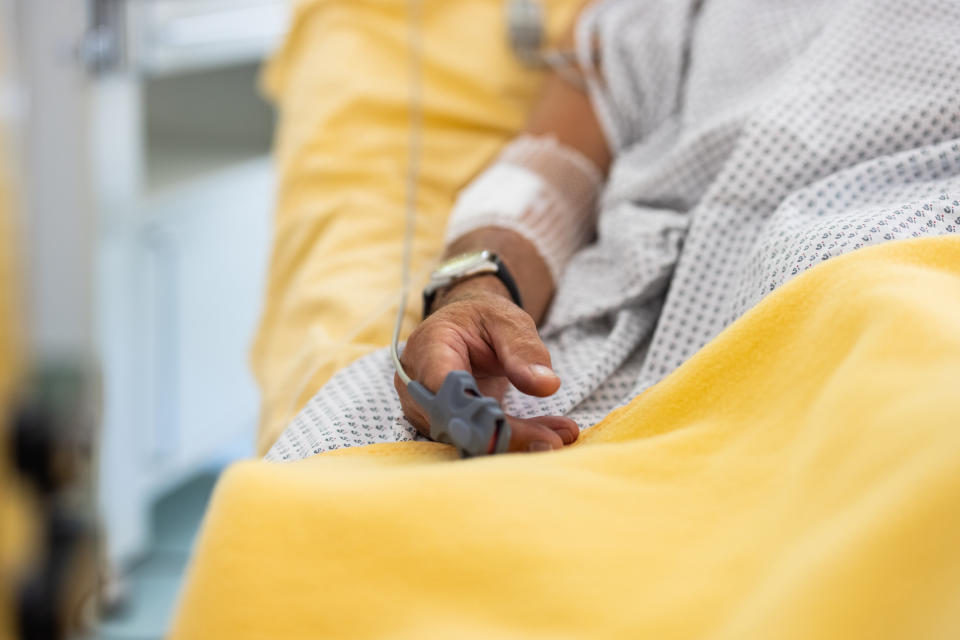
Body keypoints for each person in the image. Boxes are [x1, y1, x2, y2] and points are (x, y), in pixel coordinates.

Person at [267, 0, 960, 461]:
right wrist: (474, 288)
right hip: (599, 344)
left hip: (894, 291)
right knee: (335, 464)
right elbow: (546, 173)